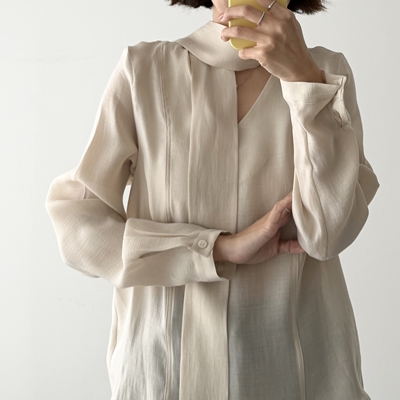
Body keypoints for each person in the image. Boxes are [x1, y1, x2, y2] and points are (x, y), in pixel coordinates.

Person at [45, 0, 379, 398]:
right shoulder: (145, 70)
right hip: (162, 376)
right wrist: (214, 249)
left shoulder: (325, 74)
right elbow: (77, 226)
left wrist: (304, 81)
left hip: (295, 379)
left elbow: (327, 234)